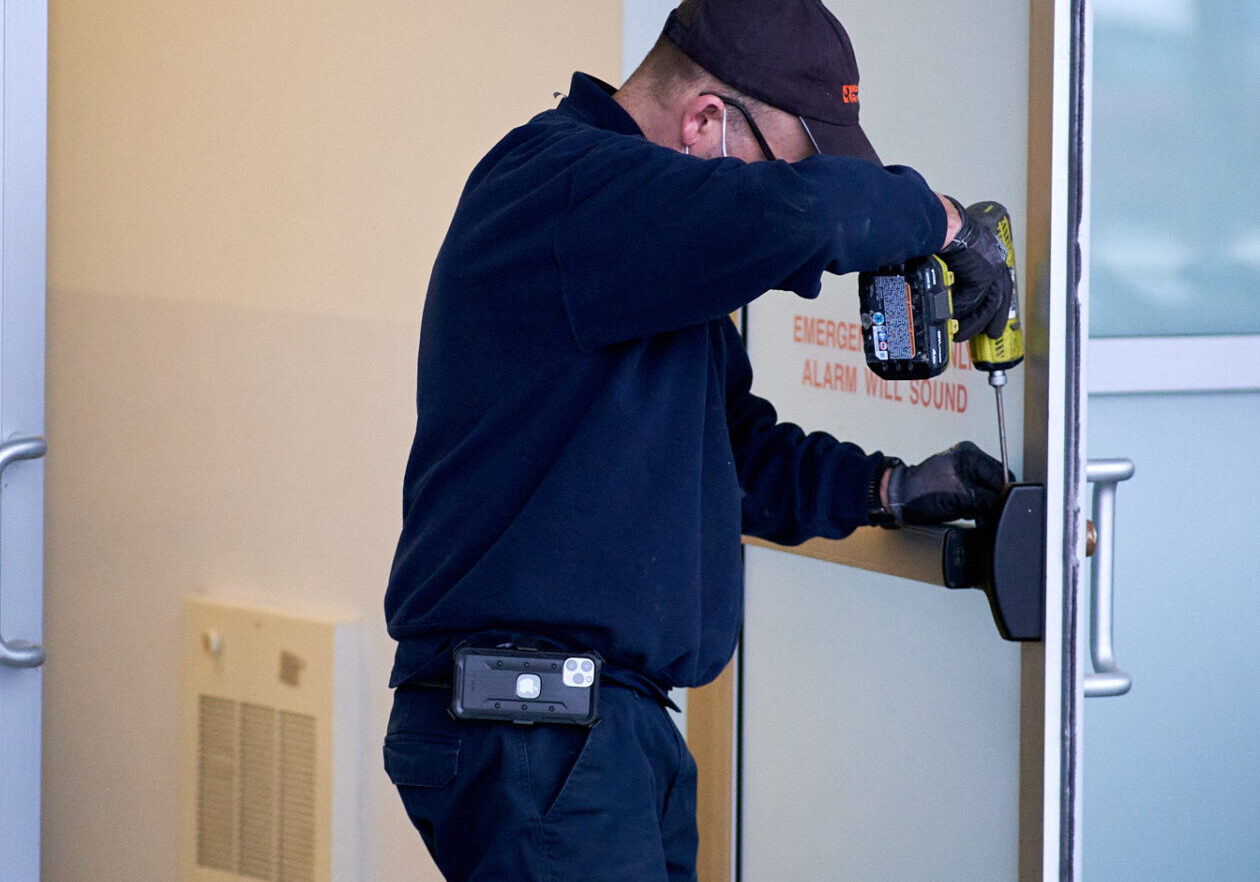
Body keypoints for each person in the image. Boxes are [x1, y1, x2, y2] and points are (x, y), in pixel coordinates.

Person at [382, 1, 1015, 879]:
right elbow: (810, 219)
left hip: (596, 736)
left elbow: (734, 455)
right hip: (539, 734)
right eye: (779, 167)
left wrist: (892, 491)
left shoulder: (643, 255)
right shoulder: (566, 185)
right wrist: (945, 223)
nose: (775, 196)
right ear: (707, 123)